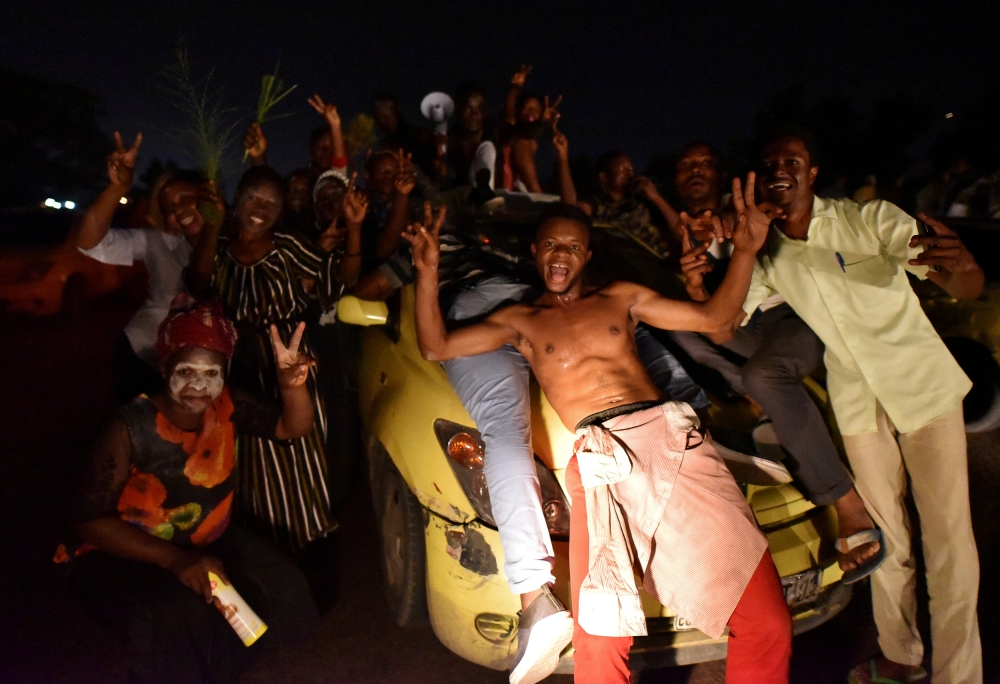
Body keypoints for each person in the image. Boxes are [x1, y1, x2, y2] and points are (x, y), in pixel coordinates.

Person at [403, 185, 792, 684]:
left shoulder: (621, 299)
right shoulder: (520, 321)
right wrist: (428, 272)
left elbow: (714, 318)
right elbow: (435, 346)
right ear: (535, 254)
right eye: (550, 245)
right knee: (600, 640)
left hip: (667, 440)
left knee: (766, 620)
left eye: (571, 246)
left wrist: (745, 250)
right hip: (597, 463)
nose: (560, 254)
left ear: (586, 255)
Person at [354, 201, 707, 684]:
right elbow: (371, 297)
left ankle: (706, 454)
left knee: (639, 345)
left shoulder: (545, 256)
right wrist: (423, 267)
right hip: (480, 310)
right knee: (503, 423)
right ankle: (533, 597)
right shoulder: (443, 239)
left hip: (550, 312)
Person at [740, 129, 983, 684]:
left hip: (921, 389)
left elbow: (959, 283)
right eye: (771, 161)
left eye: (793, 160)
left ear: (813, 172)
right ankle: (902, 656)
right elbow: (730, 314)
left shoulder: (868, 220)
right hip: (858, 402)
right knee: (886, 538)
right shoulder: (770, 249)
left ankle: (958, 675)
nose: (781, 168)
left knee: (948, 541)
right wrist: (727, 255)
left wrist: (964, 265)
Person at [56, 295, 320, 684]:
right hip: (127, 551)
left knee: (283, 584)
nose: (199, 385)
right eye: (186, 371)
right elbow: (89, 522)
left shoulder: (225, 406)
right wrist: (175, 561)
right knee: (179, 614)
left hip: (205, 539)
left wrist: (291, 385)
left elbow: (290, 428)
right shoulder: (129, 427)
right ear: (165, 367)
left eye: (211, 373)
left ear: (225, 373)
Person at [670, 141, 884, 583]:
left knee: (765, 371)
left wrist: (740, 225)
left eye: (705, 164)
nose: (696, 172)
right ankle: (762, 393)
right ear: (676, 179)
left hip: (793, 314)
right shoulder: (687, 229)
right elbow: (714, 318)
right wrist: (693, 285)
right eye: (687, 166)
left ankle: (848, 504)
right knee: (679, 325)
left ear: (720, 172)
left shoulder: (753, 205)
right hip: (743, 325)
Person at [187, 165, 367, 549]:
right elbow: (199, 281)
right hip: (238, 363)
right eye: (253, 197)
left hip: (287, 359)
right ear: (236, 200)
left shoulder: (288, 246)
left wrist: (354, 228)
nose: (260, 208)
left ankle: (309, 536)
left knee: (298, 447)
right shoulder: (218, 246)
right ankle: (265, 537)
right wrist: (212, 227)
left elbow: (340, 278)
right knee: (250, 452)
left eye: (272, 203)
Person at [77, 131, 225, 404]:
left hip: (207, 364)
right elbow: (90, 244)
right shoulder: (158, 241)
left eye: (186, 197)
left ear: (208, 193)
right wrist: (117, 189)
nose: (179, 209)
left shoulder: (233, 243)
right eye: (169, 207)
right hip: (145, 356)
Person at [553, 128, 678, 259]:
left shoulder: (645, 201)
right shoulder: (598, 204)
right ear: (604, 177)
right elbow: (570, 210)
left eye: (631, 169)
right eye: (622, 168)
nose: (629, 173)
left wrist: (656, 197)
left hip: (658, 262)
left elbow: (681, 230)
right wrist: (562, 156)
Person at [498, 65, 562, 193]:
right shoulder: (511, 128)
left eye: (536, 109)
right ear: (519, 111)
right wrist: (514, 88)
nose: (531, 111)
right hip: (499, 186)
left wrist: (544, 123)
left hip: (516, 190)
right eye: (527, 107)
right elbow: (509, 108)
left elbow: (530, 131)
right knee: (524, 142)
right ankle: (537, 192)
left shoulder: (533, 141)